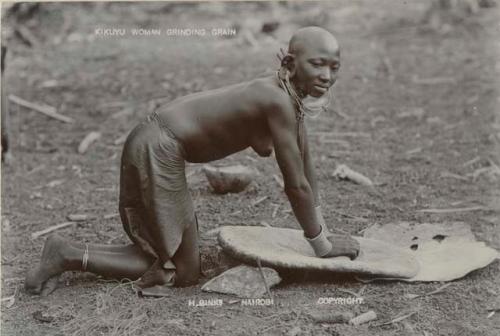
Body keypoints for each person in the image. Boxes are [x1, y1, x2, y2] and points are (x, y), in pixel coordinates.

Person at [25, 26, 360, 296]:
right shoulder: (277, 101)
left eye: (334, 67)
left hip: (159, 145)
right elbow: (296, 184)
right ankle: (67, 254)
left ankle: (67, 250)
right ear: (289, 64)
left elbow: (305, 168)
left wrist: (324, 235)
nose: (327, 75)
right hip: (158, 147)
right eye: (318, 64)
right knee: (184, 272)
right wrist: (320, 244)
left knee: (171, 258)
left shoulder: (287, 98)